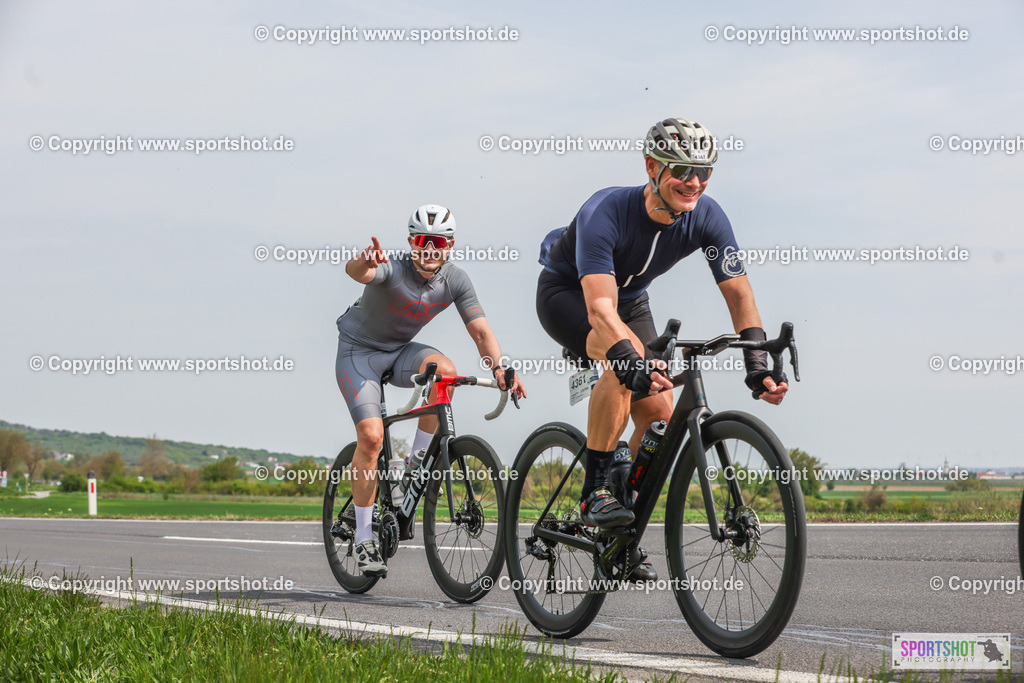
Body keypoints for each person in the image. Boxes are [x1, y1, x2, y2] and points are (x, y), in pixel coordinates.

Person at [536, 117, 788, 581]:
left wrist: (757, 363)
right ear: (652, 166)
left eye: (703, 172)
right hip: (570, 298)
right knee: (623, 359)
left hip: (631, 301)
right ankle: (595, 490)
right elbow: (600, 311)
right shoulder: (605, 211)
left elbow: (739, 294)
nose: (694, 182)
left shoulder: (707, 216)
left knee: (658, 414)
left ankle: (621, 521)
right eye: (681, 170)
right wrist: (627, 358)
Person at [337, 204, 526, 577]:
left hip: (399, 353)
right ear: (411, 242)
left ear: (450, 245)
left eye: (438, 243)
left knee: (447, 373)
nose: (429, 250)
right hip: (359, 353)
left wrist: (500, 367)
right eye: (422, 241)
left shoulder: (456, 280)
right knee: (372, 438)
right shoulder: (393, 266)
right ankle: (363, 537)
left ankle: (415, 464)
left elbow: (481, 332)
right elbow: (359, 272)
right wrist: (362, 261)